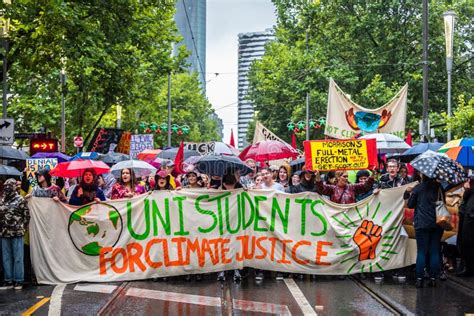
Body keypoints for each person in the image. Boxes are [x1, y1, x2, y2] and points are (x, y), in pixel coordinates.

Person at [406, 175, 444, 288]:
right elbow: (443, 202)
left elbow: (410, 205)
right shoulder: (439, 187)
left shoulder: (418, 188)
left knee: (421, 251)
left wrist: (409, 193)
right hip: (437, 223)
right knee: (434, 251)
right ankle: (433, 279)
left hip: (421, 224)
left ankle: (419, 279)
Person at [0, 179, 30, 290]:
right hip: (4, 232)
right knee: (6, 258)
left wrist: (23, 227)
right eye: (5, 186)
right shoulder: (2, 199)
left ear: (14, 187)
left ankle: (18, 280)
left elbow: (26, 216)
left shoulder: (20, 200)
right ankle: (8, 280)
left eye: (9, 185)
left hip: (17, 232)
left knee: (18, 257)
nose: (7, 187)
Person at [217, 169, 243, 282]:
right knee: (223, 245)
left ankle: (236, 270)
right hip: (222, 223)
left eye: (231, 184)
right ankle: (221, 269)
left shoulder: (240, 189)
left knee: (236, 245)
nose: (229, 187)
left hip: (237, 222)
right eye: (227, 185)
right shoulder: (218, 191)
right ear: (223, 183)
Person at [457, 176, 474, 277]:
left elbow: (465, 197)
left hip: (470, 216)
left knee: (467, 242)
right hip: (469, 215)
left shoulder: (470, 189)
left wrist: (467, 189)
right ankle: (468, 267)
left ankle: (468, 268)